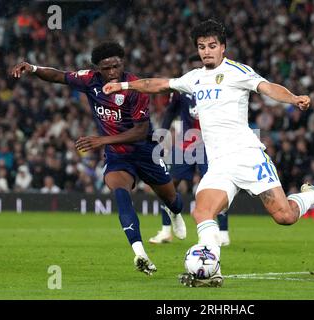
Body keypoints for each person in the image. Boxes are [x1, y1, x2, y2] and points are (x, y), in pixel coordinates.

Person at [103, 20, 314, 287]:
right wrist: (123, 86)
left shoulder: (238, 71)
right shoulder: (194, 78)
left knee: (285, 217)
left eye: (212, 46)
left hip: (248, 155)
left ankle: (312, 195)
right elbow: (158, 84)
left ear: (223, 48)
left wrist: (294, 98)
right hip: (219, 164)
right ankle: (210, 268)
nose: (206, 51)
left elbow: (268, 87)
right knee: (202, 212)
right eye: (202, 47)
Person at [11, 41, 187, 275]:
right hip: (118, 158)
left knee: (172, 199)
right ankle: (139, 252)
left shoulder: (135, 87)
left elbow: (140, 132)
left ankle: (173, 213)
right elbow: (58, 76)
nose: (113, 72)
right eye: (107, 68)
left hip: (145, 152)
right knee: (120, 193)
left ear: (122, 63)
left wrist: (101, 140)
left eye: (116, 65)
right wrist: (32, 68)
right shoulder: (89, 80)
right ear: (98, 68)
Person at [149, 56, 230, 246]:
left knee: (216, 187)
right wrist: (161, 134)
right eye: (192, 67)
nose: (196, 70)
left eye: (199, 66)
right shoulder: (182, 88)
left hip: (210, 145)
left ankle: (223, 232)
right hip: (186, 143)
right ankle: (166, 230)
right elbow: (171, 111)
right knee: (168, 185)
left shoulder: (219, 87)